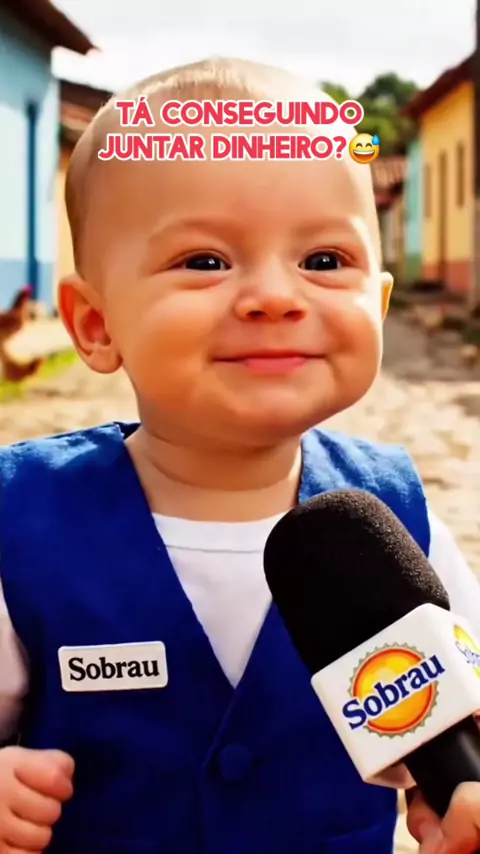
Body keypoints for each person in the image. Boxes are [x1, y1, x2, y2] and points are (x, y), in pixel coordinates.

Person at [0, 57, 479, 854]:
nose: (276, 297)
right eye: (205, 261)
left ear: (379, 303)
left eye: (323, 261)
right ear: (94, 324)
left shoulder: (396, 518)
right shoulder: (22, 523)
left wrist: (455, 791)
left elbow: (461, 721)